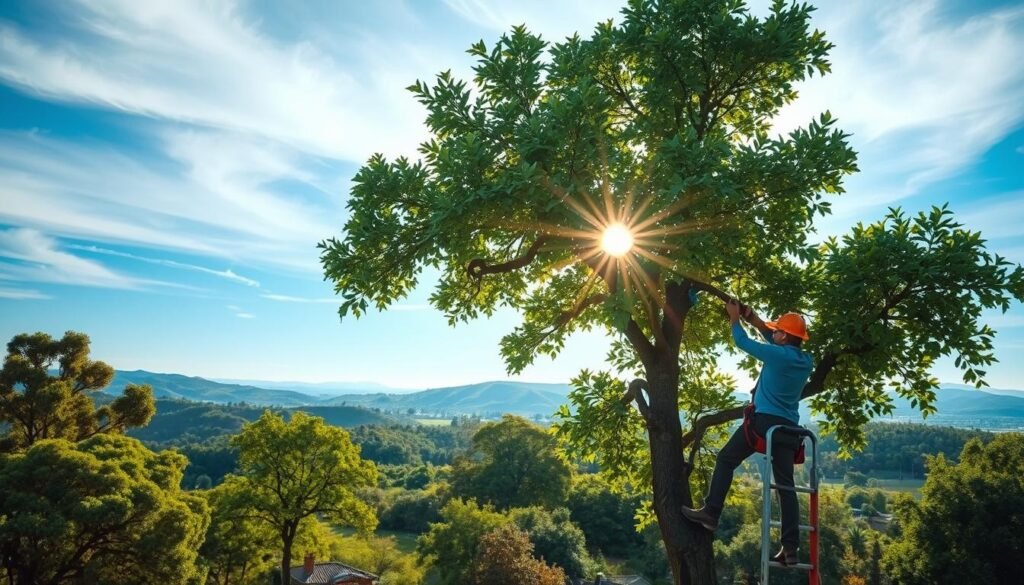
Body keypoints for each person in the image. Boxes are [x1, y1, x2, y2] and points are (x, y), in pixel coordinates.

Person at [681, 298, 813, 566]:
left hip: (764, 423)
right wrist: (755, 319)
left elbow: (742, 342)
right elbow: (773, 339)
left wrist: (735, 318)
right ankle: (790, 548)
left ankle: (711, 513)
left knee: (726, 459)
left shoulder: (777, 354)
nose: (772, 332)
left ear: (784, 336)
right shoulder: (804, 360)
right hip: (789, 431)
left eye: (778, 330)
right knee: (786, 487)